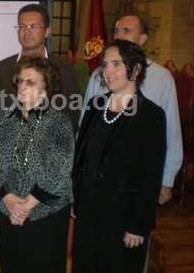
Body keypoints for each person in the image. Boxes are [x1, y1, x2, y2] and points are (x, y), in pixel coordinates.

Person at [72, 39, 166, 273]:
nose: (108, 71)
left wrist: (138, 225)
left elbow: (151, 175)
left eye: (116, 64)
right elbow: (81, 155)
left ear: (135, 70)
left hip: (123, 217)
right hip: (88, 211)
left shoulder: (150, 115)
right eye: (105, 64)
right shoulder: (96, 104)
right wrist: (76, 197)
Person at [82, 15, 182, 205]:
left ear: (143, 39)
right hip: (97, 181)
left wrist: (167, 180)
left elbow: (172, 131)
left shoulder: (162, 77)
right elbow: (85, 128)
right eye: (117, 30)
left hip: (138, 181)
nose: (119, 35)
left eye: (126, 31)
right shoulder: (99, 75)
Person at [0, 56, 74, 272]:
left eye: (31, 82)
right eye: (20, 81)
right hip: (9, 210)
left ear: (46, 89)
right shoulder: (4, 118)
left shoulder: (59, 121)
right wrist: (8, 197)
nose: (22, 87)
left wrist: (27, 205)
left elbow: (59, 169)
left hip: (47, 213)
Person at [0, 3, 80, 127]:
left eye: (34, 26)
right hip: (9, 143)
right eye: (22, 26)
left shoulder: (64, 69)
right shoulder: (1, 69)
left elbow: (72, 117)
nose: (27, 32)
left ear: (47, 31)